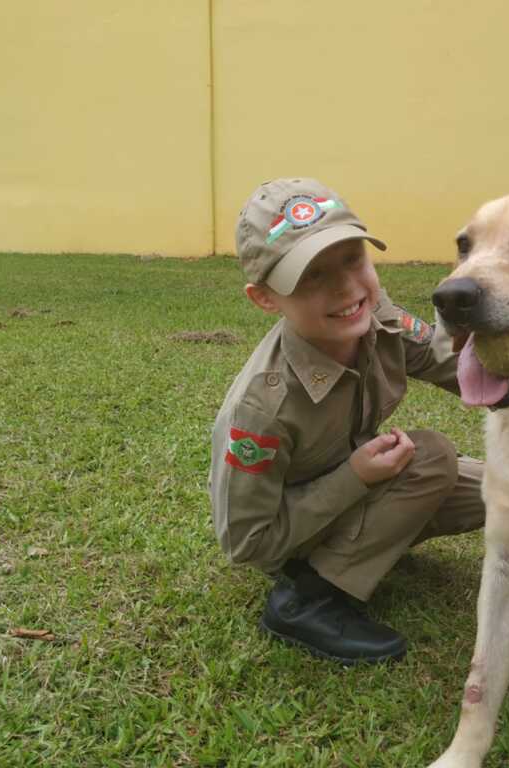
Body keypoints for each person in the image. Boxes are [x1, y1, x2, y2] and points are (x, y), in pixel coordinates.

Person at [208, 177, 486, 665]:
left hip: (361, 489)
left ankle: (372, 543)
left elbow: (453, 366)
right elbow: (247, 544)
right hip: (295, 537)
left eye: (352, 258)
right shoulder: (262, 408)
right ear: (265, 298)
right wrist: (354, 477)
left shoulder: (377, 316)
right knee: (432, 456)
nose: (346, 286)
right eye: (311, 275)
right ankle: (308, 599)